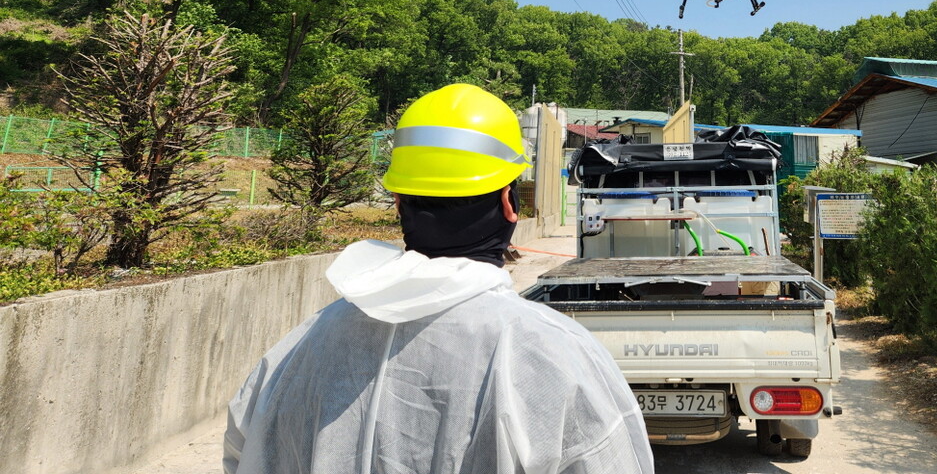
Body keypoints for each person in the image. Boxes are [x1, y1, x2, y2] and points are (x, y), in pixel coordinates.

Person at [224, 83, 654, 474]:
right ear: (509, 203)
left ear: (397, 201)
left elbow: (242, 451)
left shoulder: (297, 350)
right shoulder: (551, 353)